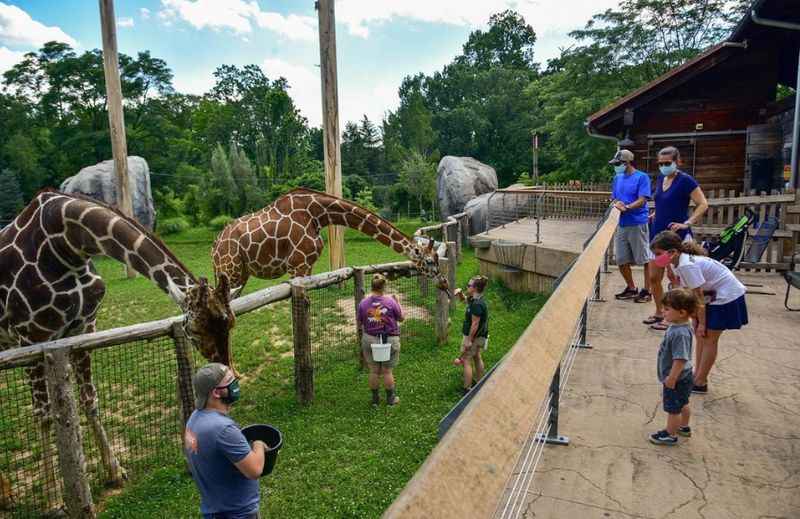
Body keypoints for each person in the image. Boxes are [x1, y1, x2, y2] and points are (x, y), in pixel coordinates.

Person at [650, 231, 748, 394]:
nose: (656, 258)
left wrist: (701, 322)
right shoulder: (679, 263)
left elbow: (698, 295)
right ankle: (697, 375)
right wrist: (695, 318)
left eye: (658, 254)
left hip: (726, 296)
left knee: (709, 338)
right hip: (713, 296)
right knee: (701, 336)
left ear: (673, 252)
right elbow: (687, 292)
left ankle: (700, 381)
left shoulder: (686, 265)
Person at [184, 363, 267, 519]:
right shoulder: (223, 430)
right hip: (237, 513)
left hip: (214, 509)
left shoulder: (194, 419)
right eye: (230, 380)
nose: (235, 382)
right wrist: (259, 444)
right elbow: (254, 470)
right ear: (216, 392)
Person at [644, 146, 709, 331]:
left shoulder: (686, 180)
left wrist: (687, 222)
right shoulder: (661, 178)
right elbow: (663, 201)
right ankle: (659, 311)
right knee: (654, 277)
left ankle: (675, 317)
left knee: (676, 279)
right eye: (661, 163)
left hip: (675, 238)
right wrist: (656, 213)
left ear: (677, 162)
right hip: (658, 235)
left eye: (667, 163)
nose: (664, 166)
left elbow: (703, 204)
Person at [650, 288, 697, 446]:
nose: (663, 311)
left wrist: (672, 377)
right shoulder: (679, 325)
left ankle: (670, 434)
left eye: (667, 309)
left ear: (682, 312)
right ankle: (683, 427)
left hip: (677, 377)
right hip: (684, 376)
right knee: (683, 402)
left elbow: (680, 359)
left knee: (673, 408)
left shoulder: (680, 333)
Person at [609, 149, 653, 302]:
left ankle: (647, 291)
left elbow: (643, 199)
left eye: (618, 164)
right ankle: (631, 288)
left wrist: (627, 207)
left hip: (637, 222)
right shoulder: (617, 178)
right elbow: (613, 197)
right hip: (622, 223)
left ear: (627, 163)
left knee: (644, 258)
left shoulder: (642, 177)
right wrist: (616, 204)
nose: (616, 166)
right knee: (621, 259)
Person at [357, 273, 404, 406]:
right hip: (389, 339)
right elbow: (401, 318)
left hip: (370, 339)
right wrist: (398, 302)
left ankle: (375, 400)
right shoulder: (390, 301)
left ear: (371, 286)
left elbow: (359, 322)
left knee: (374, 371)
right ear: (384, 287)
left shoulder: (363, 303)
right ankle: (391, 399)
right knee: (387, 371)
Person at [452, 276, 489, 395]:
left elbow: (475, 324)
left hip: (474, 336)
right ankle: (479, 382)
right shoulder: (475, 299)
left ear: (475, 288)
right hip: (481, 336)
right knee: (477, 356)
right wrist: (460, 294)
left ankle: (467, 389)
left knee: (466, 360)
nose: (467, 286)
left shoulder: (477, 304)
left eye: (469, 285)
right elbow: (466, 301)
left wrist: (469, 340)